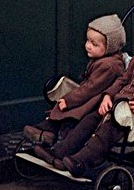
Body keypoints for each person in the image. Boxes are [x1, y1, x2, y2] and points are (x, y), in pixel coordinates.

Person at [34, 18, 134, 176]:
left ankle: (82, 160)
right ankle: (60, 151)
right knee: (89, 120)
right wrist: (107, 96)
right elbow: (121, 82)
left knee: (107, 131)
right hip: (116, 107)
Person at [23, 14, 127, 146]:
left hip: (95, 100)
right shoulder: (102, 60)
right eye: (88, 41)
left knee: (70, 108)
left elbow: (91, 87)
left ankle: (54, 132)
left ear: (110, 47)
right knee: (65, 105)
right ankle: (49, 129)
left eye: (94, 44)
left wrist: (69, 100)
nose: (88, 46)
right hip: (91, 94)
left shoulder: (108, 66)